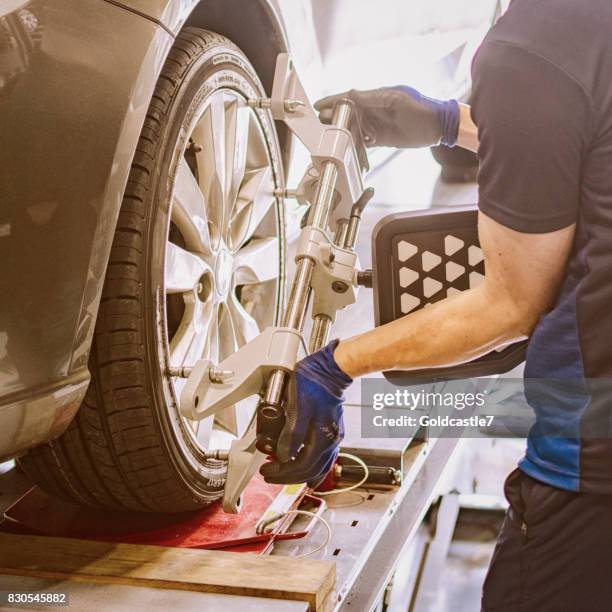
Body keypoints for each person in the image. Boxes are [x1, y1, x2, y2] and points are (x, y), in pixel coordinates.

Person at [261, 0, 612, 609]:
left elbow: (509, 305)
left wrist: (338, 364)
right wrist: (452, 121)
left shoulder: (540, 36)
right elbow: (581, 134)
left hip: (596, 477)